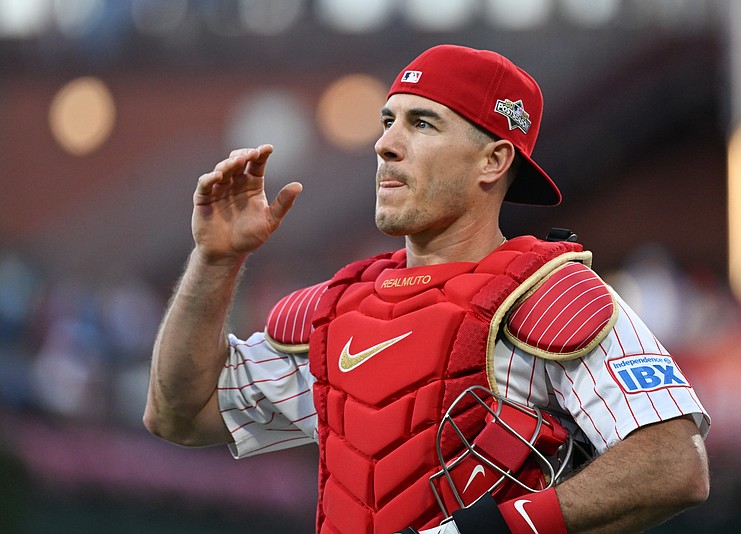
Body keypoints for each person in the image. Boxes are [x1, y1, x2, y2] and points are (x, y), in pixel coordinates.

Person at [144, 44, 710, 534]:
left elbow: (673, 465)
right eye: (388, 120)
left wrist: (492, 528)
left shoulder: (546, 294)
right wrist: (216, 261)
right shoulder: (342, 310)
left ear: (494, 160)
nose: (385, 144)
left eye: (422, 123)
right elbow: (181, 413)